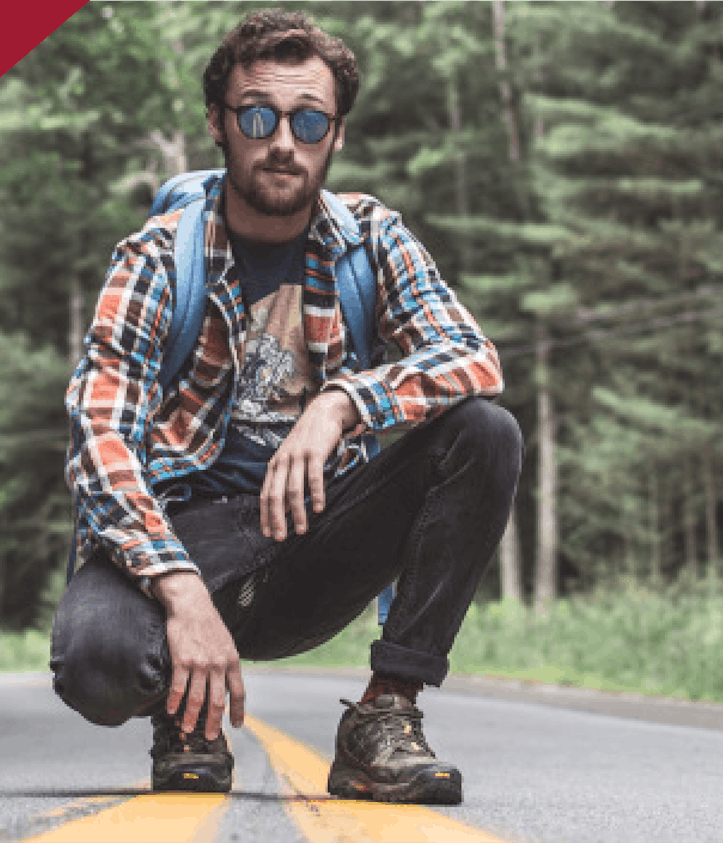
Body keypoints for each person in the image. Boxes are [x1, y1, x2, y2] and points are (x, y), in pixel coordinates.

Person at [50, 9, 522, 805]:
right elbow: (100, 438)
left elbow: (474, 357)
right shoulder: (160, 258)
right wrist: (180, 591)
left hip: (314, 534)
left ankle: (385, 713)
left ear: (334, 132)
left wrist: (344, 401)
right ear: (219, 123)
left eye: (309, 120)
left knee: (484, 432)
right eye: (258, 115)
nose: (283, 141)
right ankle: (183, 711)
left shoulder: (373, 239)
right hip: (184, 533)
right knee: (96, 663)